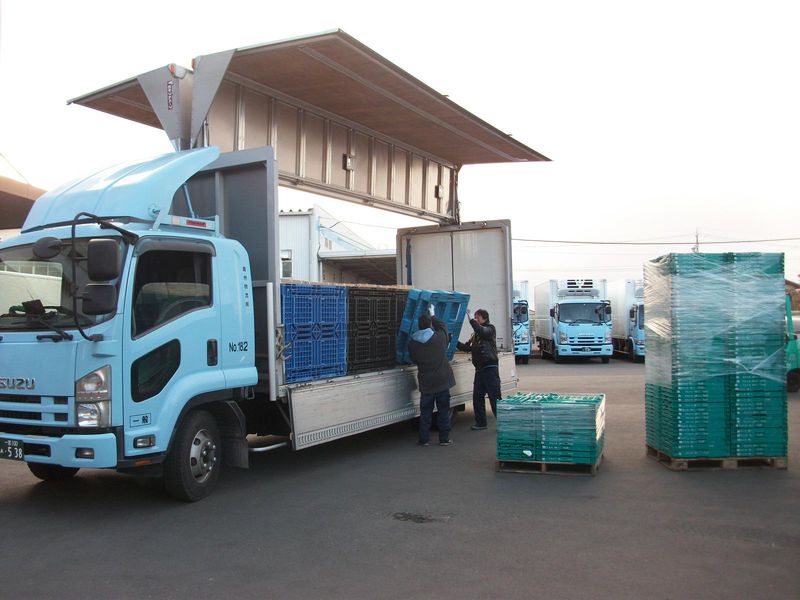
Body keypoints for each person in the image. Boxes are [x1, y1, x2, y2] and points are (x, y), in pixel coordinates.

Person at [408, 312, 456, 446]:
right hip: (442, 381)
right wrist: (434, 316)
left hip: (426, 383)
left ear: (418, 326)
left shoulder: (412, 344)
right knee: (443, 411)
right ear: (430, 325)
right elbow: (443, 327)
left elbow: (414, 359)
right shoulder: (438, 339)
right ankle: (444, 439)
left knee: (425, 413)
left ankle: (424, 440)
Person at [457, 308, 500, 430]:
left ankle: (503, 423)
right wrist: (452, 339)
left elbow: (481, 331)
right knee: (477, 397)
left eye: (477, 318)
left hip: (490, 368)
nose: (476, 319)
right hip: (480, 369)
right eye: (474, 317)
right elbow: (467, 348)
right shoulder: (475, 335)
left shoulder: (490, 329)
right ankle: (481, 423)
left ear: (484, 318)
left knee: (494, 397)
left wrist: (471, 319)